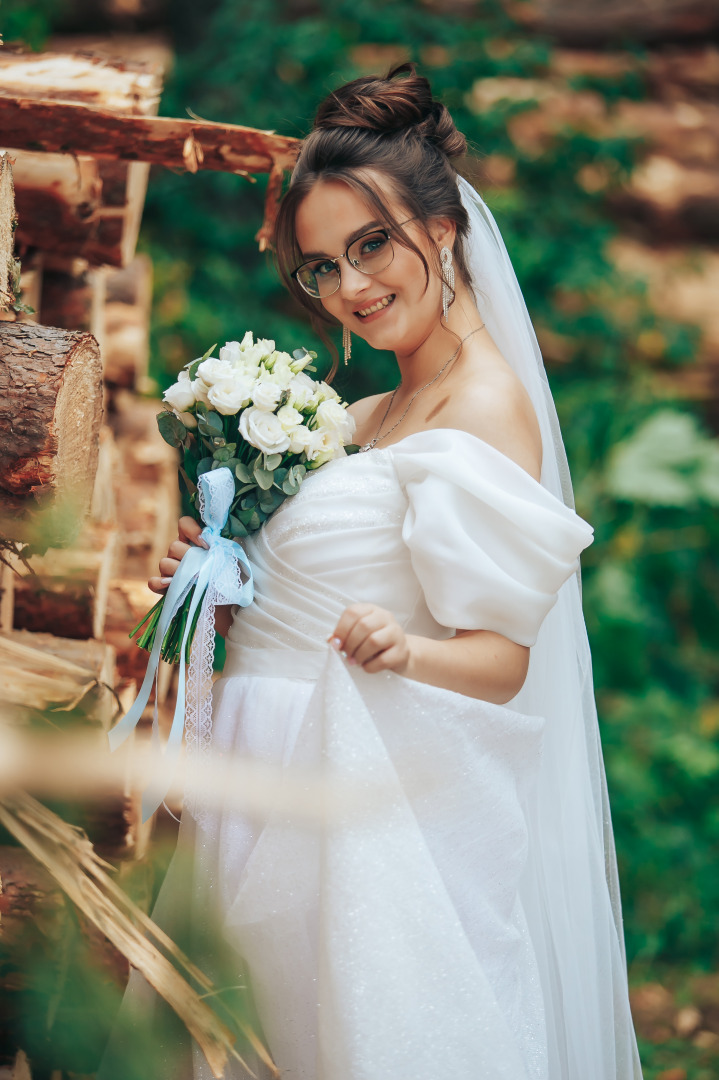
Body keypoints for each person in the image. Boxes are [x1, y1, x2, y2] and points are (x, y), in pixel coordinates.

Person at [123, 65, 642, 1079]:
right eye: (321, 268)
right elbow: (281, 608)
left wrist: (403, 648)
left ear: (442, 231)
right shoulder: (354, 421)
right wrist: (214, 583)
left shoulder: (484, 407)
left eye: (370, 247)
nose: (350, 290)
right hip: (265, 783)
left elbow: (497, 661)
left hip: (367, 816)